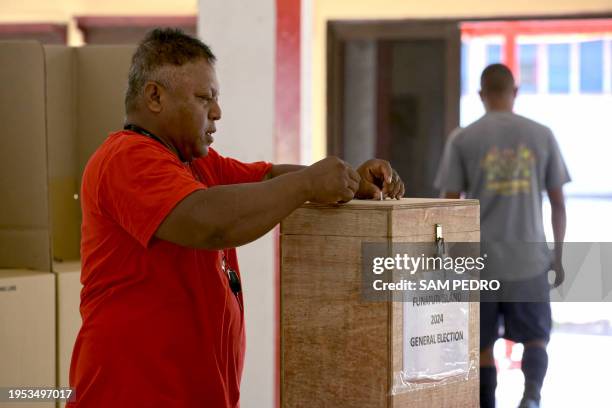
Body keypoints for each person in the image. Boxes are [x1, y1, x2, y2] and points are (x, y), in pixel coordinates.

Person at [66, 28, 404, 408]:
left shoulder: (194, 163)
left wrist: (349, 182)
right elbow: (210, 223)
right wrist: (308, 184)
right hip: (133, 393)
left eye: (216, 99)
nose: (216, 112)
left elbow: (269, 178)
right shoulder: (126, 159)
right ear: (155, 96)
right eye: (203, 98)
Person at [434, 64, 570, 408]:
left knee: (481, 344)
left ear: (481, 95)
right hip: (528, 261)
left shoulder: (463, 139)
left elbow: (450, 207)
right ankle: (531, 398)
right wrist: (558, 255)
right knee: (536, 337)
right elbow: (557, 203)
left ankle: (487, 404)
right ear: (515, 92)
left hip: (480, 265)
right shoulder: (542, 134)